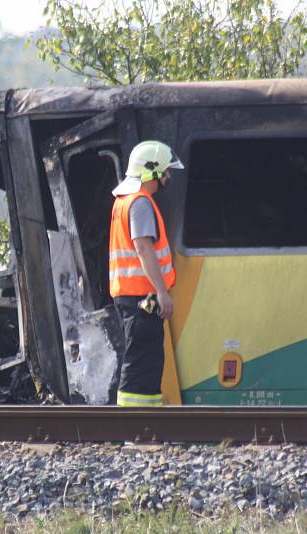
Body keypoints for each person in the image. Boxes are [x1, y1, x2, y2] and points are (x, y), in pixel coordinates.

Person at [109, 140, 183, 407]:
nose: (168, 177)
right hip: (142, 297)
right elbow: (143, 248)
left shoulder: (125, 201)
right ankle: (134, 429)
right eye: (165, 171)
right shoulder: (140, 203)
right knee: (140, 363)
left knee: (147, 362)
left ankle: (147, 427)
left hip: (135, 296)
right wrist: (162, 292)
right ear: (151, 171)